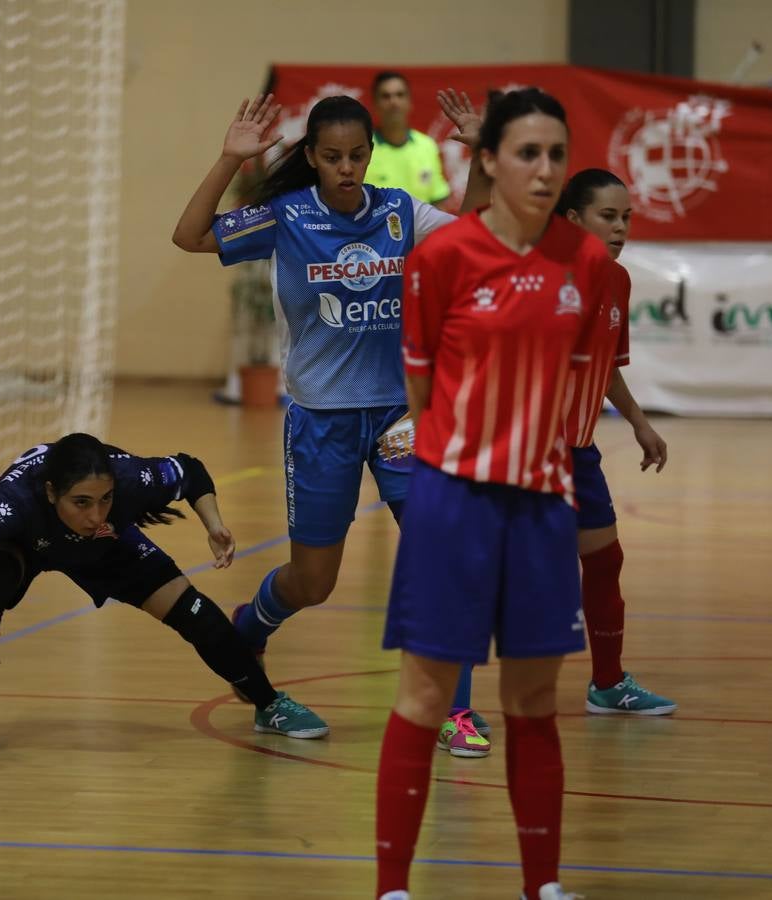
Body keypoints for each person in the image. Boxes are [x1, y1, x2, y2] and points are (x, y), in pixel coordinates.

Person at [171, 92, 497, 757]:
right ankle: (253, 622)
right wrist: (229, 158)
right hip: (322, 420)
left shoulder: (401, 212)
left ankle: (455, 710)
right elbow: (190, 235)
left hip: (402, 415)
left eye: (356, 156)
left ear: (371, 155)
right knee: (312, 582)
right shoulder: (285, 216)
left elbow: (476, 230)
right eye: (332, 157)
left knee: (445, 560)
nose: (346, 169)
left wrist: (481, 157)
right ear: (313, 158)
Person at [374, 88, 611, 900]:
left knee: (535, 699)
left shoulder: (587, 263)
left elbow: (573, 384)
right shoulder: (442, 259)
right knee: (426, 695)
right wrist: (468, 457)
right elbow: (420, 386)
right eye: (527, 154)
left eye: (556, 155)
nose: (545, 171)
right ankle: (393, 889)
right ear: (485, 161)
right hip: (453, 506)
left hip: (544, 509)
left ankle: (541, 885)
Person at [0, 433, 329, 762]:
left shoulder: (129, 478)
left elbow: (190, 469)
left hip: (104, 548)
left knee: (197, 614)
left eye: (105, 500)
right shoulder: (14, 500)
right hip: (24, 545)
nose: (96, 513)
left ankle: (269, 704)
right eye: (81, 502)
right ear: (51, 492)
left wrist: (215, 525)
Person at [556, 168, 675, 716]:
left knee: (605, 561)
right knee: (497, 572)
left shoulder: (618, 281)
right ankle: (450, 701)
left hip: (578, 451)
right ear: (573, 220)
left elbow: (606, 368)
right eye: (608, 216)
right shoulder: (541, 278)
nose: (621, 227)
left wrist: (639, 422)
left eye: (627, 217)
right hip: (527, 453)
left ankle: (608, 683)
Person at [365, 72, 450, 206]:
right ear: (375, 104)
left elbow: (438, 201)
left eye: (400, 95)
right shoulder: (363, 148)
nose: (393, 102)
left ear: (410, 102)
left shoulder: (427, 146)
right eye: (386, 96)